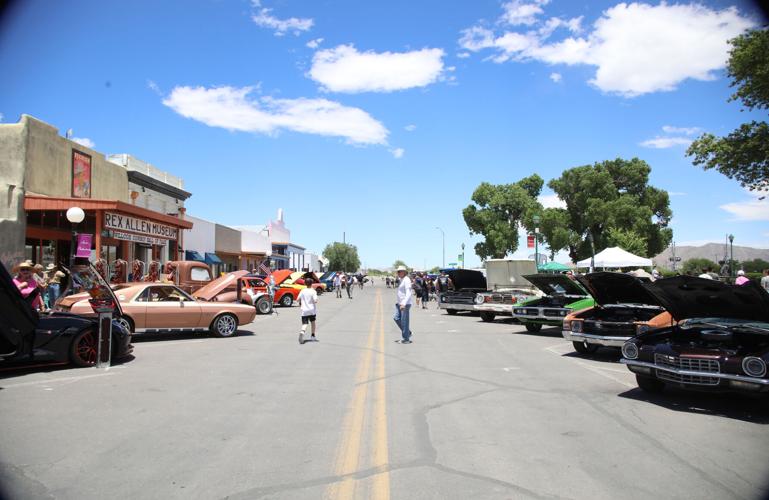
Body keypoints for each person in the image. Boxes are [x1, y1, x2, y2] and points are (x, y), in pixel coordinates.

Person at [393, 265, 413, 344]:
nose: (398, 273)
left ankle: (406, 339)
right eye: (398, 271)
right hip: (399, 303)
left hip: (405, 304)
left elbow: (408, 293)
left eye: (400, 271)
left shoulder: (407, 279)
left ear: (404, 272)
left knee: (404, 321)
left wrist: (404, 303)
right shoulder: (402, 279)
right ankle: (407, 333)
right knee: (396, 318)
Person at [298, 278, 318, 344]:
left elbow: (297, 299)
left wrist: (301, 302)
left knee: (305, 323)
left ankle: (302, 332)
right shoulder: (313, 291)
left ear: (305, 283)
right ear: (311, 284)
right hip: (312, 310)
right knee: (313, 322)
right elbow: (315, 300)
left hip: (304, 310)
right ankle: (313, 336)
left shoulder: (303, 290)